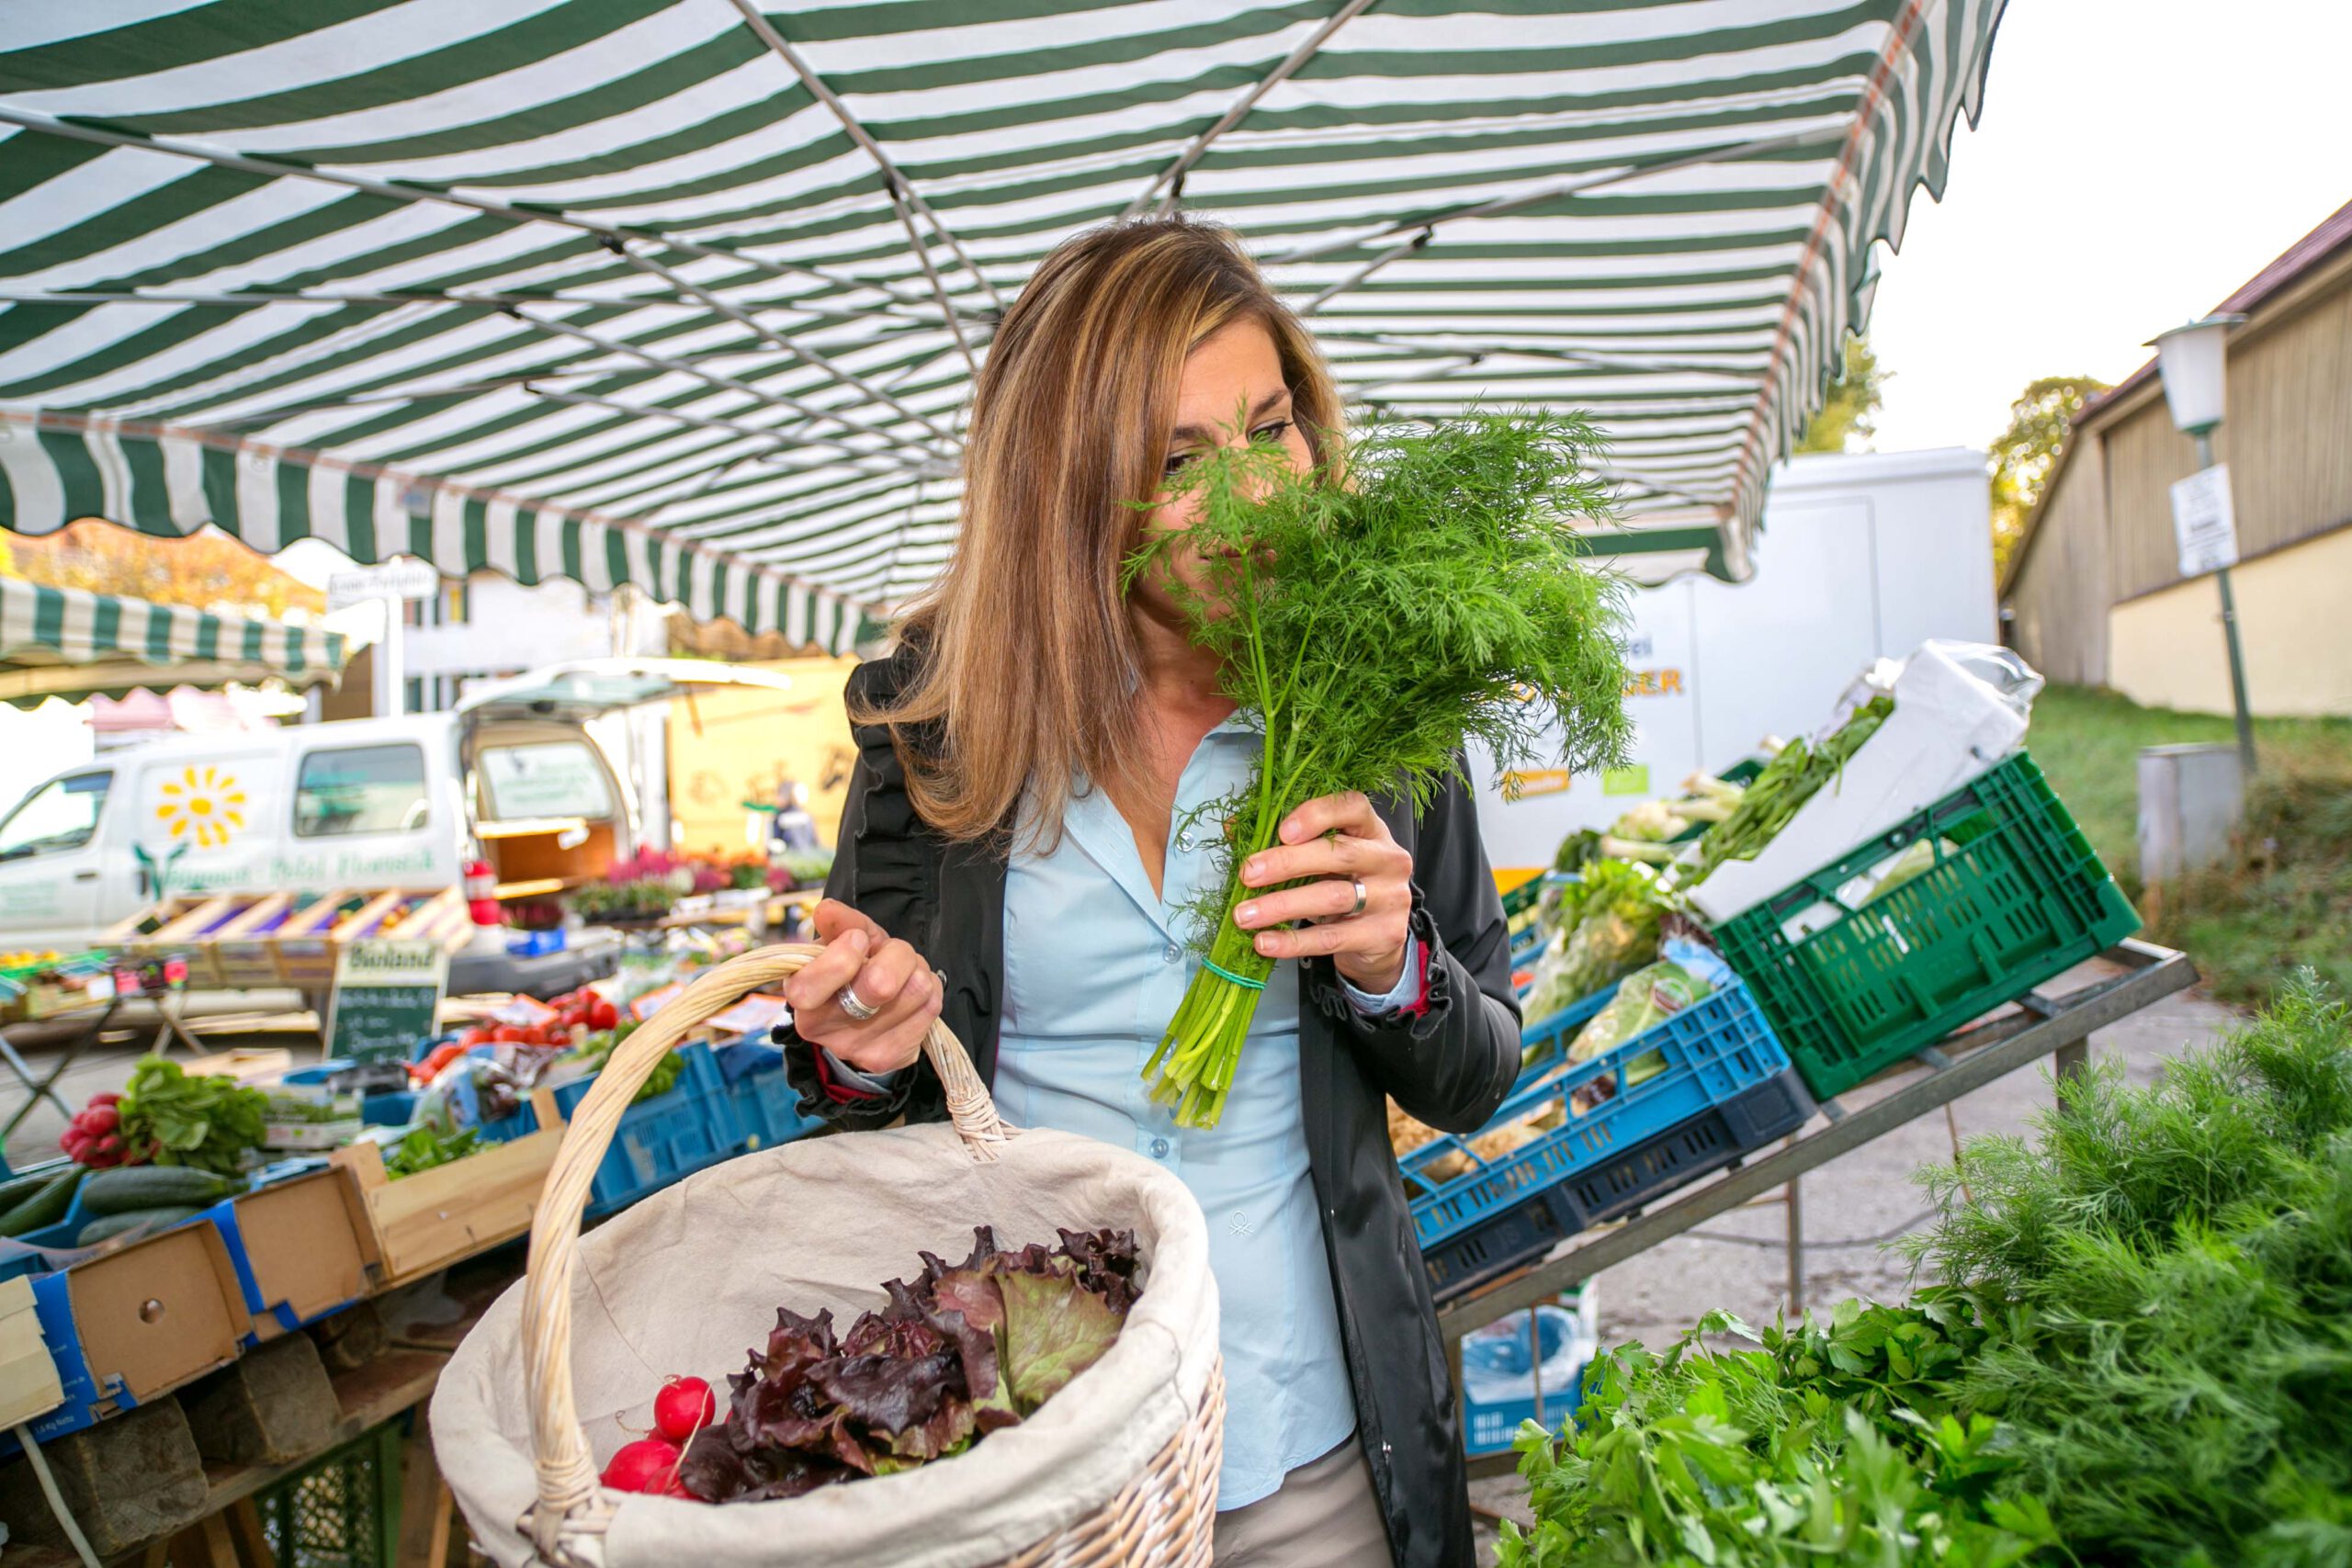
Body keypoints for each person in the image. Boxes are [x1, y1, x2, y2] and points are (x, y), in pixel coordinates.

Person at [774, 216, 1521, 1568]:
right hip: (1027, 1454)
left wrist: (1385, 966)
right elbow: (863, 1083)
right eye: (1178, 460)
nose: (1258, 499)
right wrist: (856, 1045)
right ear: (1067, 489)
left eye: (1272, 429)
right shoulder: (929, 726)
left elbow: (1479, 1070)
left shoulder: (1387, 691)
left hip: (1310, 1436)